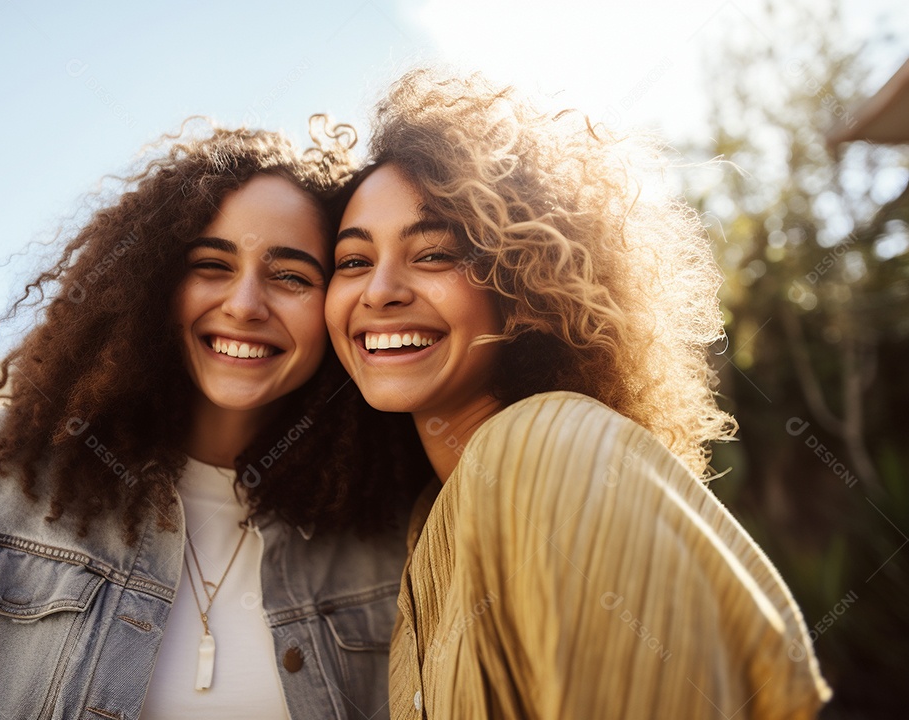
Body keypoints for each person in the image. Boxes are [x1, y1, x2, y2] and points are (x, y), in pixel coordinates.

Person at [0, 122, 430, 719]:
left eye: (291, 276)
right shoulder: (7, 468)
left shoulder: (392, 519)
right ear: (153, 285)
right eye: (212, 265)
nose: (245, 304)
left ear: (334, 305)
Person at [324, 69, 832, 719]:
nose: (380, 291)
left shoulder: (543, 450)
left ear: (528, 291)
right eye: (353, 261)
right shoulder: (431, 525)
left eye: (434, 254)